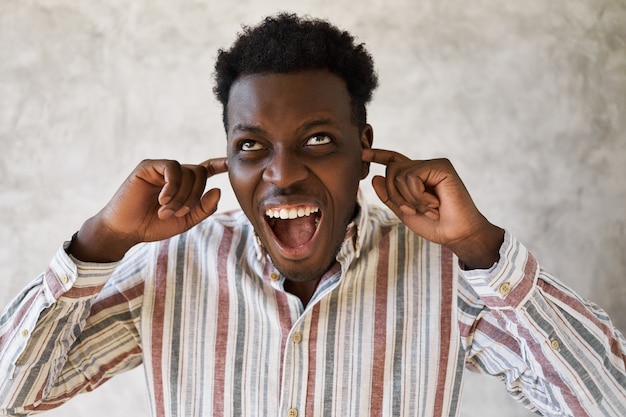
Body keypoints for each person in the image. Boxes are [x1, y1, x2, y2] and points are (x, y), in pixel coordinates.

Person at [1, 12, 625, 417]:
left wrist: (483, 249)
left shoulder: (444, 276)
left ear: (364, 151)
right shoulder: (170, 271)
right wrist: (100, 240)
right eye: (251, 147)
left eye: (319, 140)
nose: (282, 173)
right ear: (227, 161)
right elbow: (13, 393)